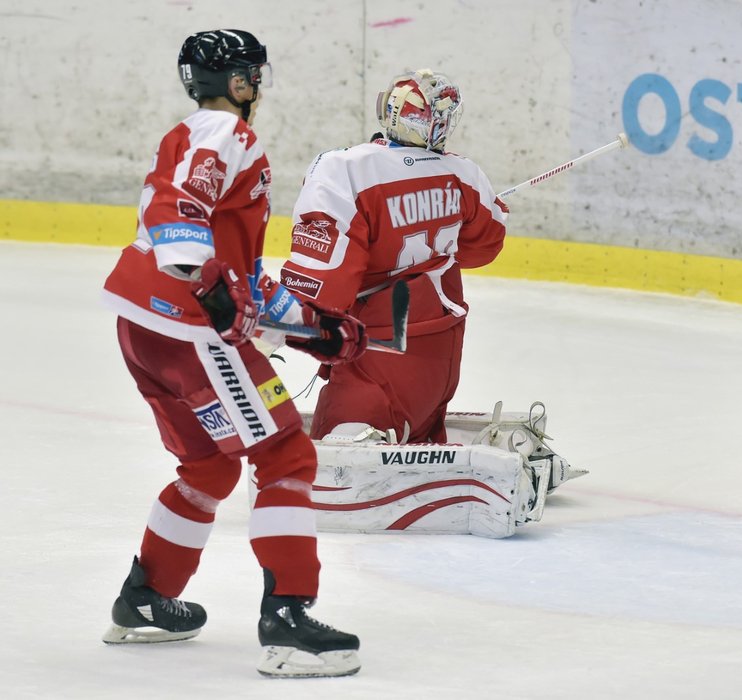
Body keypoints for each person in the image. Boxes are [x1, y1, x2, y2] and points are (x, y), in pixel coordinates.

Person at [100, 29, 367, 678]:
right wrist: (204, 285)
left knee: (208, 466)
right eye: (252, 76)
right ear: (238, 82)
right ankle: (289, 622)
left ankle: (147, 597)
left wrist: (312, 325)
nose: (257, 88)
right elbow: (181, 211)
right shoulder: (227, 135)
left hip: (144, 326)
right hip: (189, 327)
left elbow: (238, 276)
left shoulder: (198, 134)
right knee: (285, 455)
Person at [279, 68, 507, 446]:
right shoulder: (465, 173)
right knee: (415, 433)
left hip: (379, 355)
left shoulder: (346, 169)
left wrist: (275, 327)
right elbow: (484, 246)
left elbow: (322, 280)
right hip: (441, 354)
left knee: (328, 462)